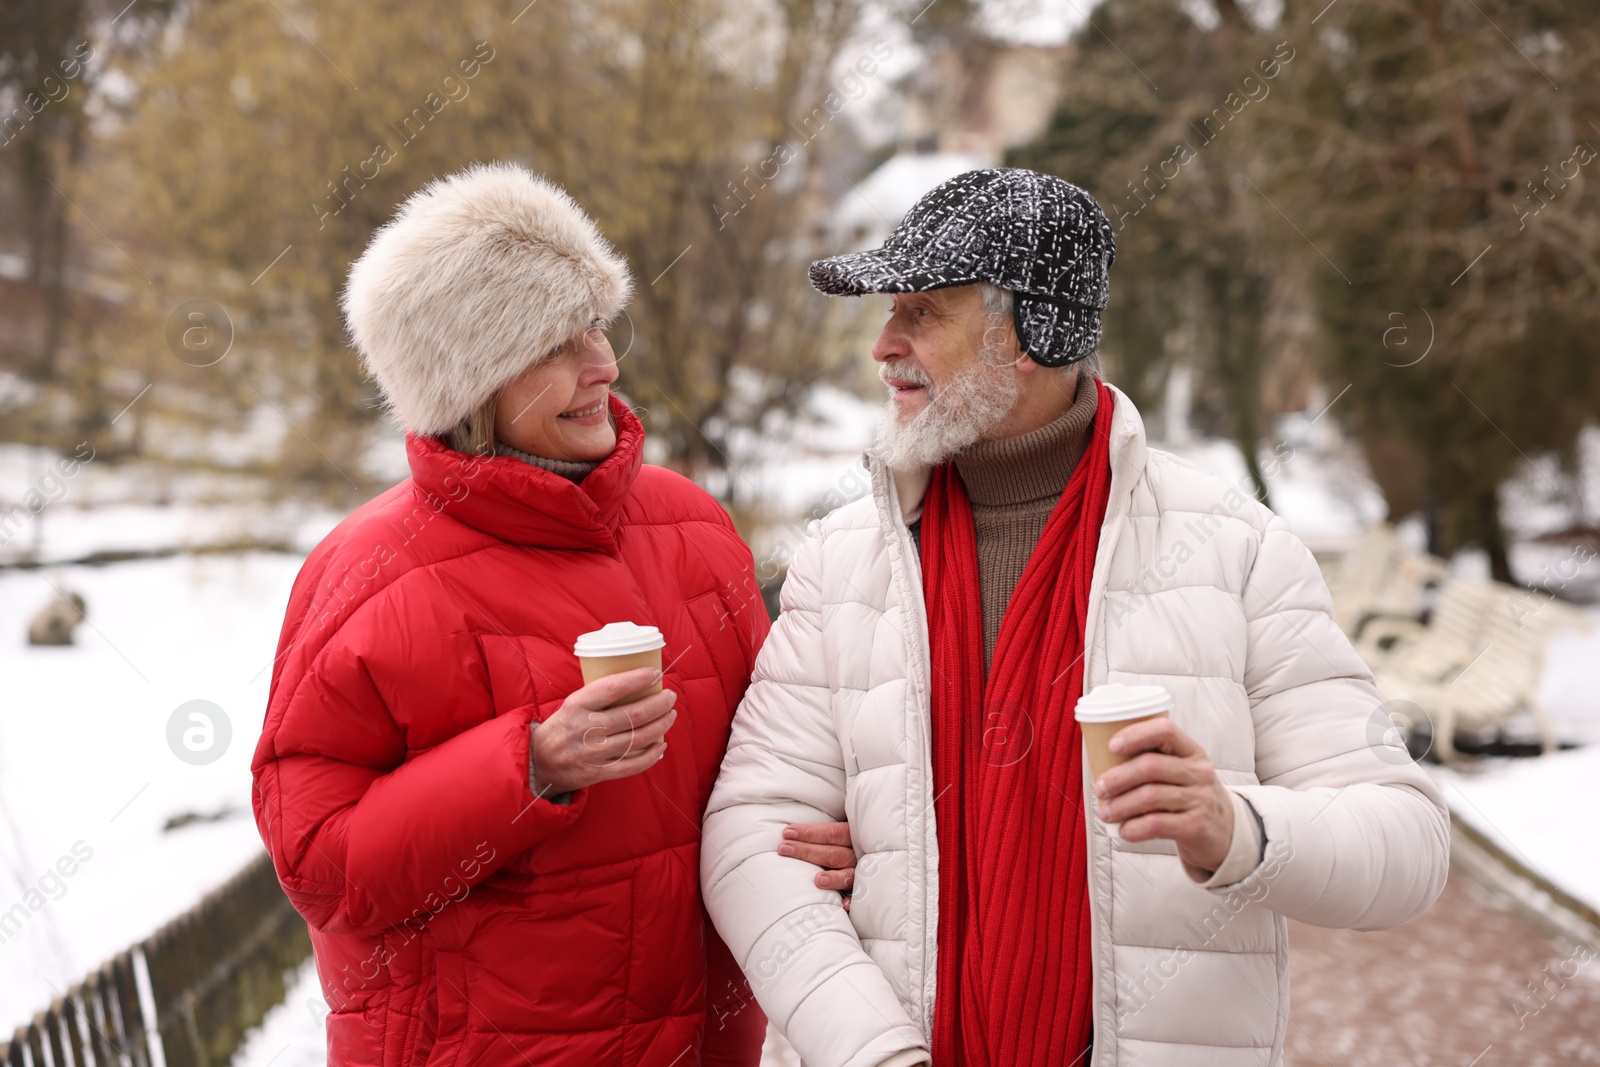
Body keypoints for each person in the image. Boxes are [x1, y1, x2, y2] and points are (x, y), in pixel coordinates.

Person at [700, 168, 1450, 1067]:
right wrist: (874, 1050)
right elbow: (752, 838)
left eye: (923, 312)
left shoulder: (1235, 550)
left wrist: (1236, 827)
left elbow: (1407, 843)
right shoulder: (841, 558)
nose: (883, 345)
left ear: (1034, 333)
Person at [252, 162, 795, 1067]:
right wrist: (530, 766)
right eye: (556, 343)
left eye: (596, 326)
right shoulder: (368, 575)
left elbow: (781, 747)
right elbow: (322, 865)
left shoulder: (692, 525)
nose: (604, 365)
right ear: (472, 382)